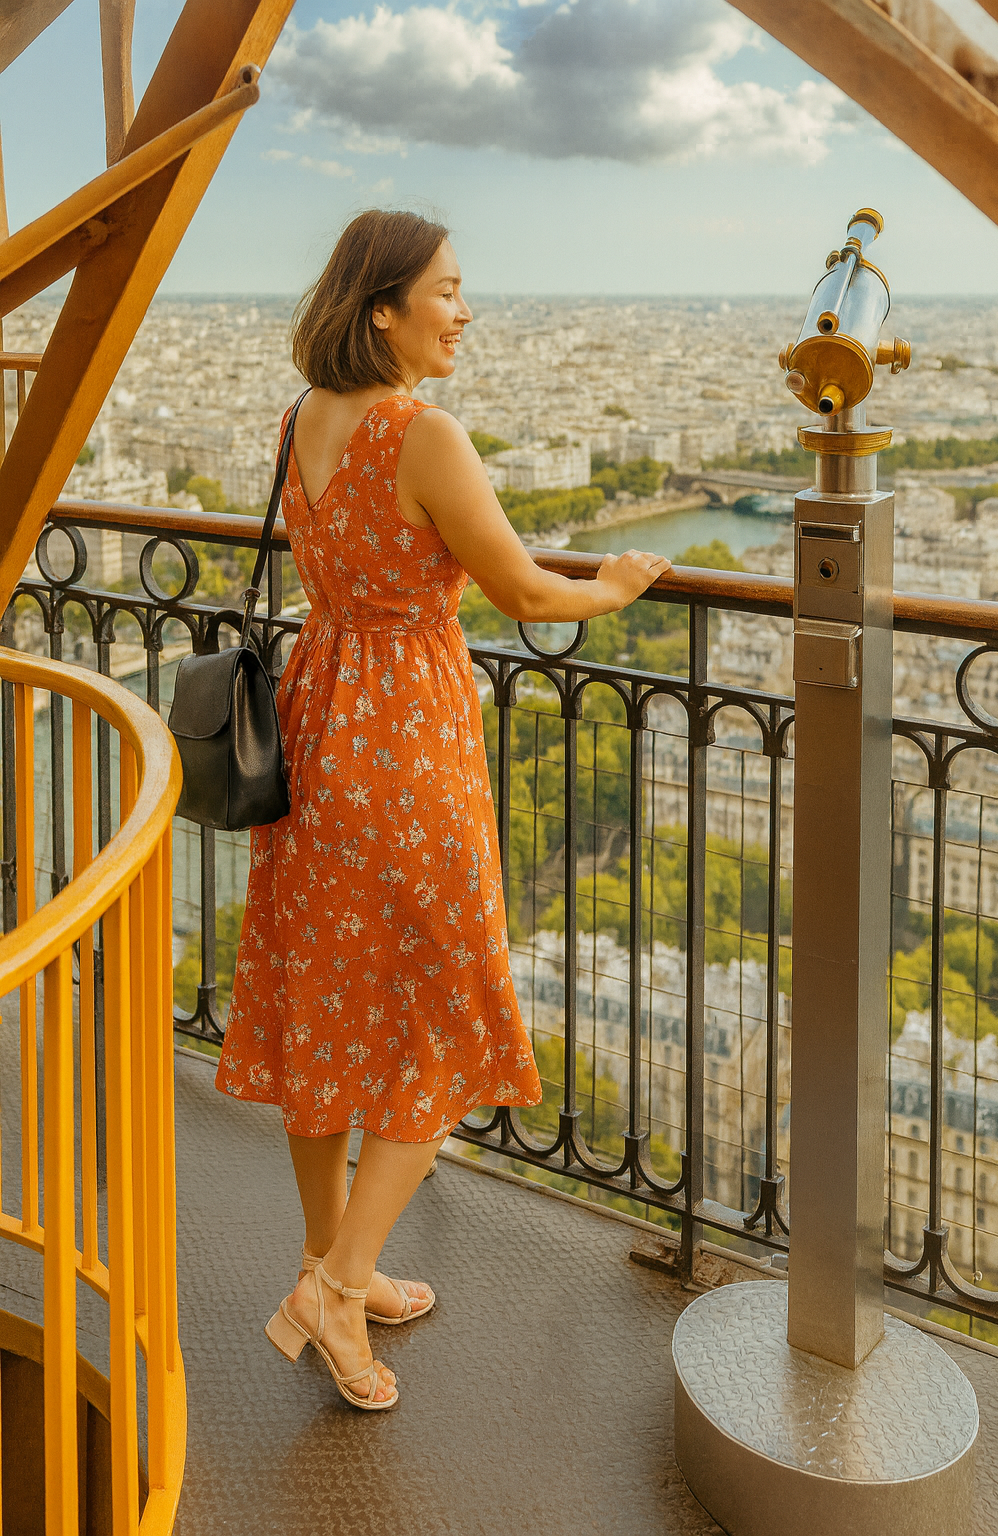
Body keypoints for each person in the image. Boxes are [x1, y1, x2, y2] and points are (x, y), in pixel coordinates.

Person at [215, 209, 671, 1410]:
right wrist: (615, 586)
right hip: (405, 740)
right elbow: (521, 587)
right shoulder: (422, 432)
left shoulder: (301, 417)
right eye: (450, 291)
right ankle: (338, 1284)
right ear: (385, 308)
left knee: (324, 1002)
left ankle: (333, 1272)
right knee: (441, 1009)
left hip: (316, 726)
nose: (465, 311)